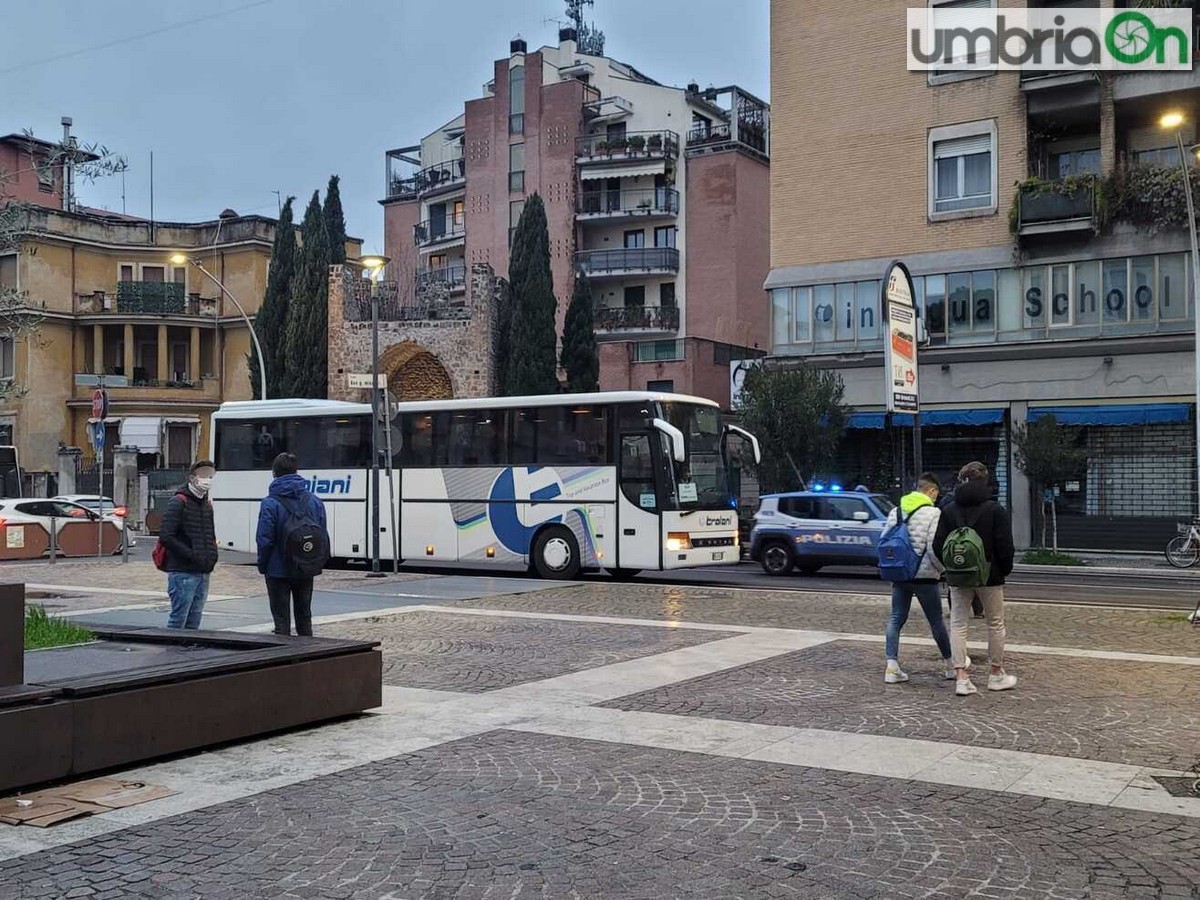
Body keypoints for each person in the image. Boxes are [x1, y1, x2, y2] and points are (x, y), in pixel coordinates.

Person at [934, 461, 1017, 696]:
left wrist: (952, 567)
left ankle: (961, 677)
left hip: (959, 576)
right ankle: (996, 674)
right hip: (991, 576)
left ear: (962, 480)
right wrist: (1003, 570)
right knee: (995, 624)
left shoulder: (949, 510)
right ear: (986, 481)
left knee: (958, 624)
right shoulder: (995, 510)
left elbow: (938, 545)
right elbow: (1005, 546)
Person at [883, 472, 955, 684]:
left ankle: (892, 666)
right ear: (931, 491)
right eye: (936, 494)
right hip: (924, 576)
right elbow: (935, 547)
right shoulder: (934, 513)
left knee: (896, 618)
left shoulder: (896, 511)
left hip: (900, 573)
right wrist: (940, 569)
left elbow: (884, 540)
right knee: (936, 621)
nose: (936, 498)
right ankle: (951, 665)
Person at [256, 452, 327, 637]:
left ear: (274, 473)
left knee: (281, 622)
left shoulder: (270, 503)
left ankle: (284, 660)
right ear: (297, 471)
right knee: (304, 617)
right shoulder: (314, 501)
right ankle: (307, 658)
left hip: (277, 570)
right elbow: (323, 534)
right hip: (305, 566)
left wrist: (263, 565)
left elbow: (264, 540)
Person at [159, 460, 218, 629]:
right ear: (192, 478)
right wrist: (192, 555)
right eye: (204, 475)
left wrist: (212, 557)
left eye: (210, 476)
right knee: (179, 619)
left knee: (195, 618)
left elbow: (210, 535)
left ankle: (190, 652)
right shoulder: (178, 502)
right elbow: (166, 536)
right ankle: (172, 653)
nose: (208, 480)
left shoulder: (206, 505)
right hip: (183, 571)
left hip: (203, 571)